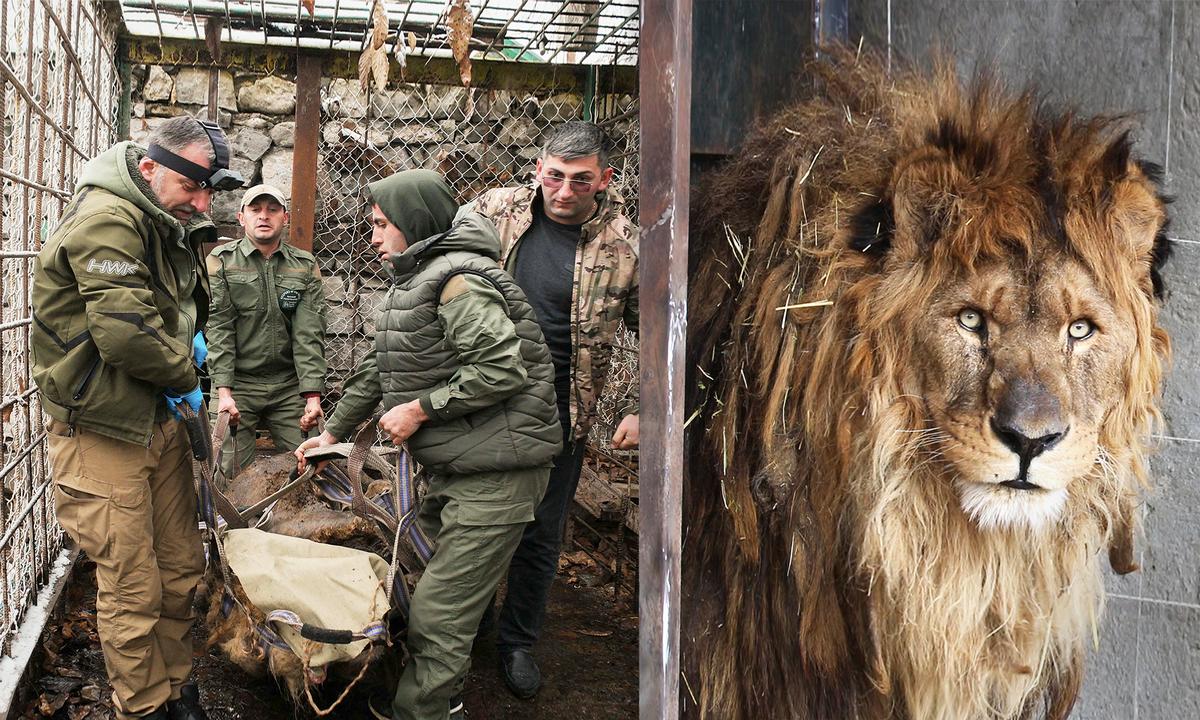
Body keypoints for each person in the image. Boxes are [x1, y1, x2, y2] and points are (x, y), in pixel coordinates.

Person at [294, 169, 561, 720]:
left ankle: (424, 710)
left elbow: (499, 367)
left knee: (439, 614)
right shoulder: (414, 281)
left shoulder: (459, 282)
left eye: (380, 225)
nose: (371, 238)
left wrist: (421, 409)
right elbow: (378, 366)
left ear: (413, 224)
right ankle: (439, 693)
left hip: (499, 473)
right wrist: (333, 433)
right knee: (426, 591)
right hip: (463, 466)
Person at [32, 115, 245, 720]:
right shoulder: (108, 219)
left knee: (179, 568)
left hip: (157, 418)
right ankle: (144, 705)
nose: (203, 203)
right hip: (103, 429)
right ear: (150, 167)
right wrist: (187, 375)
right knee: (132, 584)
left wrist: (188, 351)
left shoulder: (166, 217)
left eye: (211, 190)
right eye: (194, 187)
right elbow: (126, 336)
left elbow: (173, 309)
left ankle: (176, 688)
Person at [463, 120, 639, 698]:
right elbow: (444, 265)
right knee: (472, 518)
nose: (564, 192)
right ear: (538, 170)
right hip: (486, 401)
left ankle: (517, 643)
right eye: (555, 177)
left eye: (580, 181)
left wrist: (640, 408)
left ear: (604, 180)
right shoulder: (496, 210)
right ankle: (466, 626)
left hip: (562, 413)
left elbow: (661, 334)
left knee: (540, 532)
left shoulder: (625, 246)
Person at [205, 184, 327, 478]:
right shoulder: (221, 262)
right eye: (255, 210)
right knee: (226, 473)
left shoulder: (304, 266)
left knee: (314, 463)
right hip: (239, 385)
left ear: (285, 218)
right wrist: (224, 392)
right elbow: (219, 328)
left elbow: (309, 333)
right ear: (241, 217)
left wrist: (312, 397)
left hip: (287, 385)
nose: (264, 216)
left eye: (272, 210)